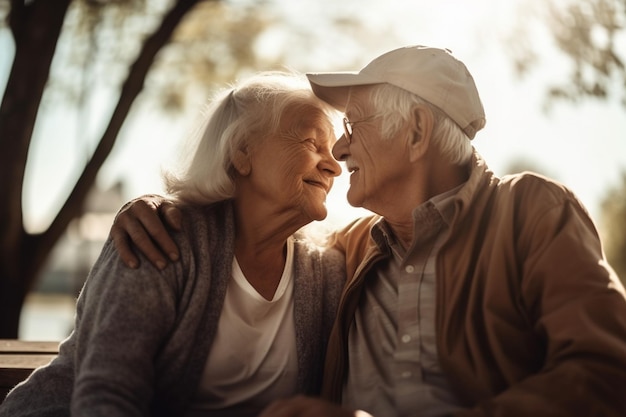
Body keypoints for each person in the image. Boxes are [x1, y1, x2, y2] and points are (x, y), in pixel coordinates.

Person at [109, 46, 626, 416]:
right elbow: (253, 229)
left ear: (417, 130)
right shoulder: (350, 248)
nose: (339, 151)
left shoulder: (531, 210)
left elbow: (606, 370)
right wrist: (161, 207)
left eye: (354, 126)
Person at [0, 71, 347, 417]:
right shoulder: (160, 235)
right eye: (311, 144)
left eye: (332, 152)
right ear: (242, 153)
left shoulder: (326, 272)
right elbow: (107, 396)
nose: (334, 166)